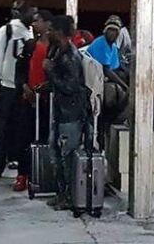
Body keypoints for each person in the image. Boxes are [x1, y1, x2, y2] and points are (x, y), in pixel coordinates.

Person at [0, 1, 35, 190]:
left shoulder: (30, 32)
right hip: (7, 86)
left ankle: (16, 162)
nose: (33, 16)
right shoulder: (6, 31)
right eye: (31, 12)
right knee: (3, 128)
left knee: (21, 128)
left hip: (23, 87)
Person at [45, 15, 88, 211]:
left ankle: (71, 197)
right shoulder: (58, 51)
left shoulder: (69, 55)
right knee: (56, 155)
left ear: (59, 32)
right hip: (61, 111)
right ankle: (62, 193)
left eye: (51, 30)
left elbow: (71, 86)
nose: (48, 33)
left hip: (71, 113)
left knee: (68, 156)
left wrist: (51, 72)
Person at [23, 10, 54, 145]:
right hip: (30, 98)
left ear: (47, 23)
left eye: (37, 21)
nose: (33, 24)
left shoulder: (55, 48)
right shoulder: (30, 45)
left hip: (48, 100)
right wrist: (25, 87)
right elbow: (21, 70)